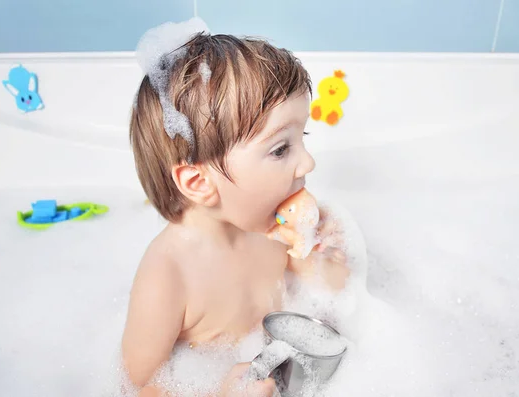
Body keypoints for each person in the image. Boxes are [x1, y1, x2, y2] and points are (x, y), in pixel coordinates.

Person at [122, 30, 351, 397]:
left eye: (302, 138)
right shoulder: (168, 275)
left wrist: (320, 256)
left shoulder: (270, 228)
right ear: (198, 182)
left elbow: (333, 293)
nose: (308, 161)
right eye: (280, 149)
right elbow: (138, 386)